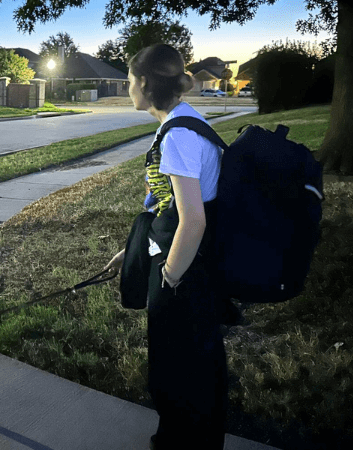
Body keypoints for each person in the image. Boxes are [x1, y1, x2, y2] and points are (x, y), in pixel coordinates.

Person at [104, 44, 229, 450]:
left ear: (143, 82)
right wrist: (135, 252)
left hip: (186, 273)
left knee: (177, 371)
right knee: (197, 366)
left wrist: (170, 278)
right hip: (192, 262)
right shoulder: (185, 121)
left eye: (127, 81)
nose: (127, 89)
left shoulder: (177, 135)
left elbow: (192, 220)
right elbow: (167, 207)